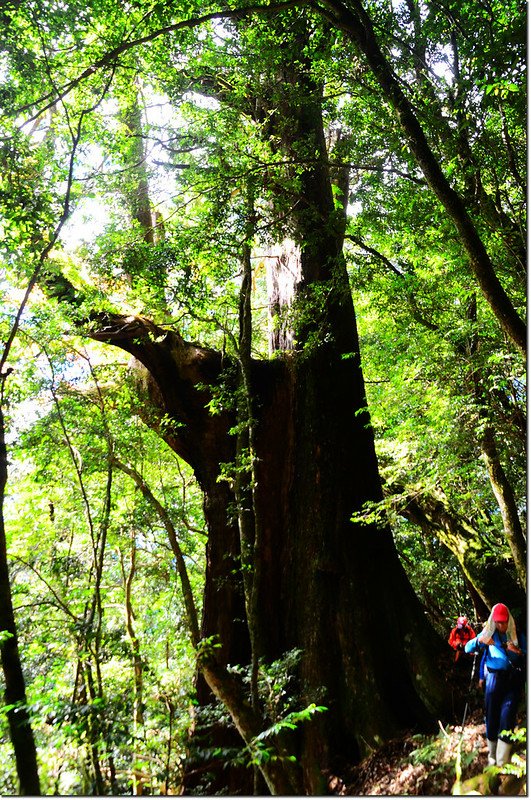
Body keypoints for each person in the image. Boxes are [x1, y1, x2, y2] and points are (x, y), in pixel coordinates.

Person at [465, 602, 526, 766]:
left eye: (504, 621)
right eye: (498, 621)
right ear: (493, 621)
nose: (501, 625)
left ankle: (502, 760)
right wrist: (479, 640)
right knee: (491, 716)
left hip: (513, 680)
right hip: (493, 679)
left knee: (507, 716)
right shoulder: (488, 634)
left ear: (509, 620)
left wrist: (518, 652)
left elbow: (526, 653)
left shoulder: (517, 635)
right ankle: (492, 756)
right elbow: (467, 648)